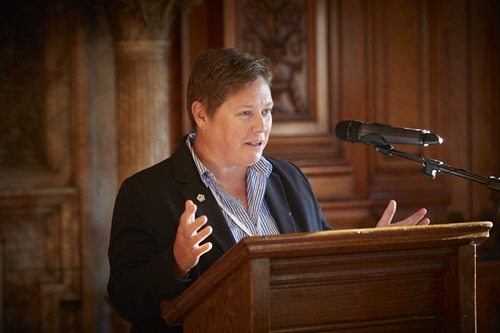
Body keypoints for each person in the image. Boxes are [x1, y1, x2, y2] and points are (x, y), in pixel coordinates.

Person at [107, 48, 430, 332]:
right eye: (245, 113)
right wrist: (176, 264)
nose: (261, 126)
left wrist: (370, 252)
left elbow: (321, 261)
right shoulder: (146, 192)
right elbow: (126, 301)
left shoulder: (288, 178)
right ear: (201, 114)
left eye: (266, 110)